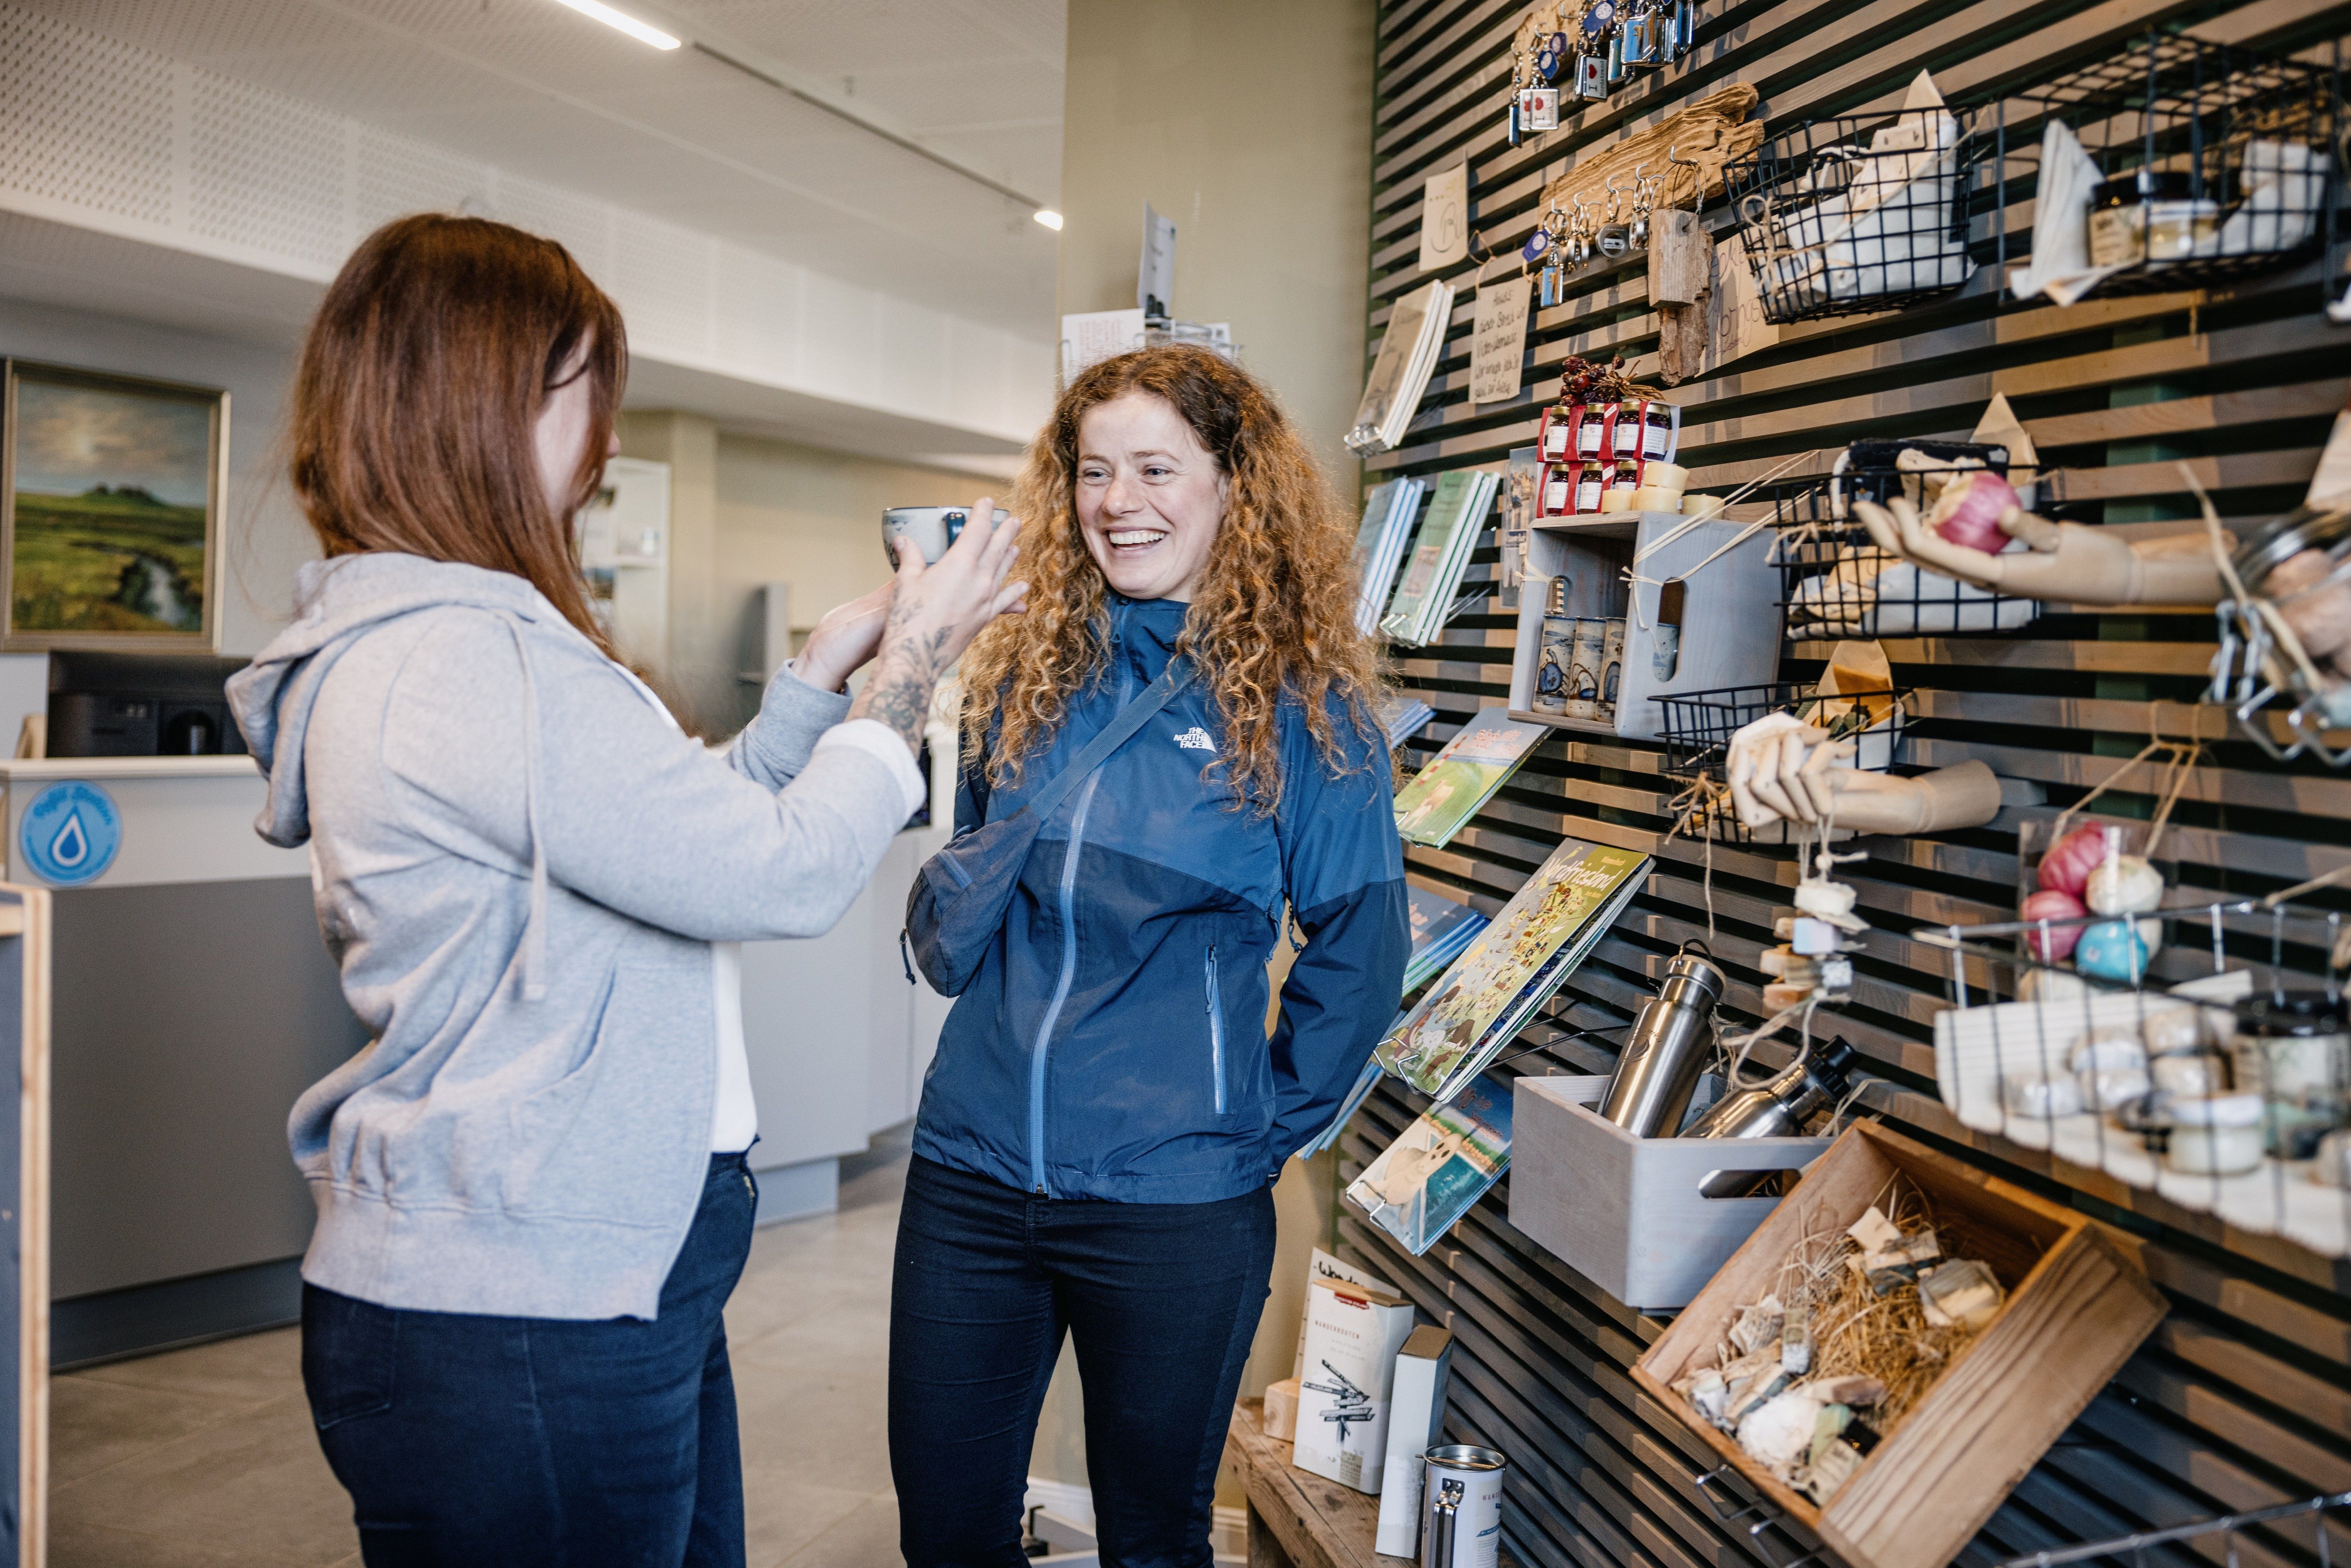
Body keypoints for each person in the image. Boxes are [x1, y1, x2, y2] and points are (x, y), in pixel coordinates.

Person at [225, 213, 1026, 1567]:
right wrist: (911, 682)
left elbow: (669, 838)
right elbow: (770, 871)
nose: (601, 438)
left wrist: (816, 688)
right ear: (483, 399)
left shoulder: (453, 645)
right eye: (585, 385)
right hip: (523, 1306)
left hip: (578, 1273)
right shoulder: (468, 660)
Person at [889, 345, 1410, 1568]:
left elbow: (1364, 947)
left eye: (1156, 468)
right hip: (969, 1173)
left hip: (1173, 1204)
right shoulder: (1020, 673)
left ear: (1236, 486)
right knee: (948, 1530)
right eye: (1094, 471)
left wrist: (1247, 1124)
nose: (1119, 501)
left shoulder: (1303, 705)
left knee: (1151, 1540)